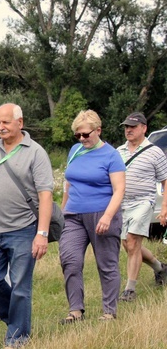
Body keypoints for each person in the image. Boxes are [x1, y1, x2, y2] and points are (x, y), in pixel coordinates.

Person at [0, 104, 54, 349]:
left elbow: (45, 195)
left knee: (21, 284)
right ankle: (17, 321)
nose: (1, 127)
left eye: (6, 122)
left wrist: (41, 234)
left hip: (23, 229)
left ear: (20, 123)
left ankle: (17, 338)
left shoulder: (35, 152)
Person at [59, 110, 125, 323]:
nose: (81, 139)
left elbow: (120, 189)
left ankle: (109, 311)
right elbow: (68, 183)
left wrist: (107, 216)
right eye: (77, 135)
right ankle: (75, 310)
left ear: (98, 130)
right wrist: (62, 210)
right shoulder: (75, 151)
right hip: (73, 214)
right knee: (70, 260)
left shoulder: (111, 155)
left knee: (106, 263)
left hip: (102, 213)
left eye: (85, 135)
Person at [116, 112, 167, 302]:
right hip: (122, 203)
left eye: (133, 127)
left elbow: (165, 180)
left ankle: (130, 290)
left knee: (133, 241)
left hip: (144, 202)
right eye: (126, 127)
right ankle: (159, 268)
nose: (128, 130)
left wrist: (164, 208)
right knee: (128, 245)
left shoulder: (155, 151)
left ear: (144, 128)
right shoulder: (119, 151)